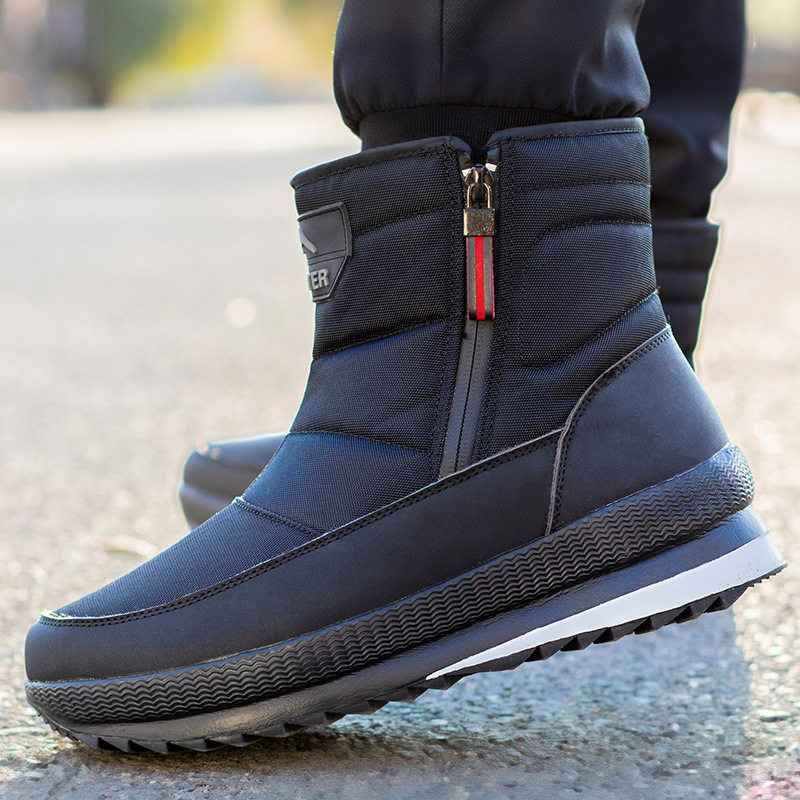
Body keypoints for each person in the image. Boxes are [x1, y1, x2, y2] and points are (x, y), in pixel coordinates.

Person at [24, 0, 784, 753]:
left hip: (487, 363)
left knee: (483, 74)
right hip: (555, 361)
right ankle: (605, 383)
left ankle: (490, 412)